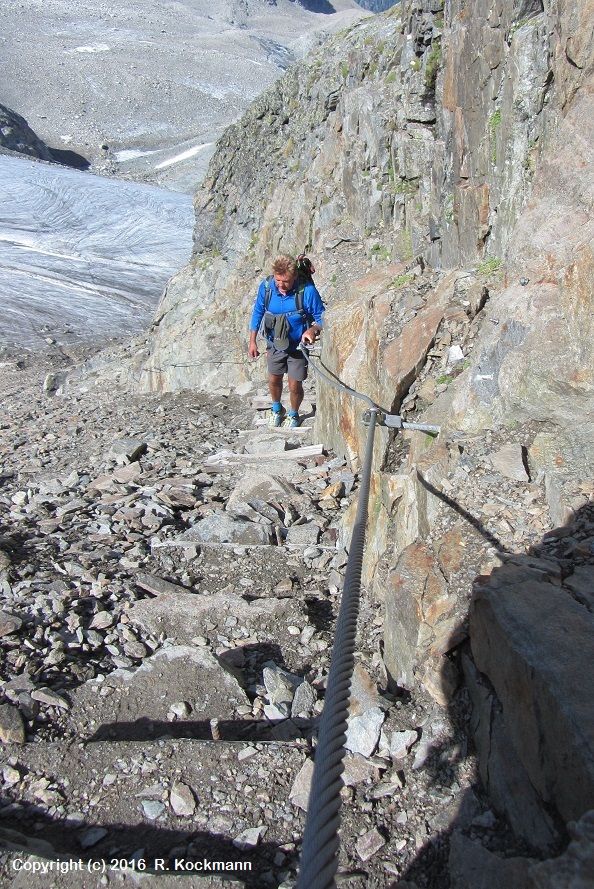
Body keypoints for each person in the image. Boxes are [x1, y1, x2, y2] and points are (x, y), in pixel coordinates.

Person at [248, 254, 325, 427]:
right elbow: (257, 313)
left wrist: (312, 330)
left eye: (286, 281)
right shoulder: (267, 287)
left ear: (295, 276)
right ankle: (276, 409)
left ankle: (294, 413)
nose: (281, 286)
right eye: (278, 280)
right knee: (274, 378)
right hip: (275, 342)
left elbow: (323, 319)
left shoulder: (307, 292)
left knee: (294, 385)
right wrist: (252, 341)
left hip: (298, 346)